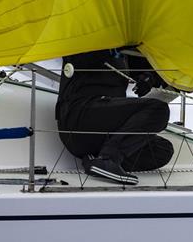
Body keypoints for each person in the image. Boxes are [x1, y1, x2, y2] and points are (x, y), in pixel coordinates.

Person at [55, 46, 175, 185]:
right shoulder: (82, 42)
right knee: (158, 109)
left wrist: (148, 78)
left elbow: (145, 66)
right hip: (78, 118)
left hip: (100, 132)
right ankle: (108, 160)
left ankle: (97, 159)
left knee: (162, 150)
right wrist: (110, 49)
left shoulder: (122, 51)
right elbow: (82, 59)